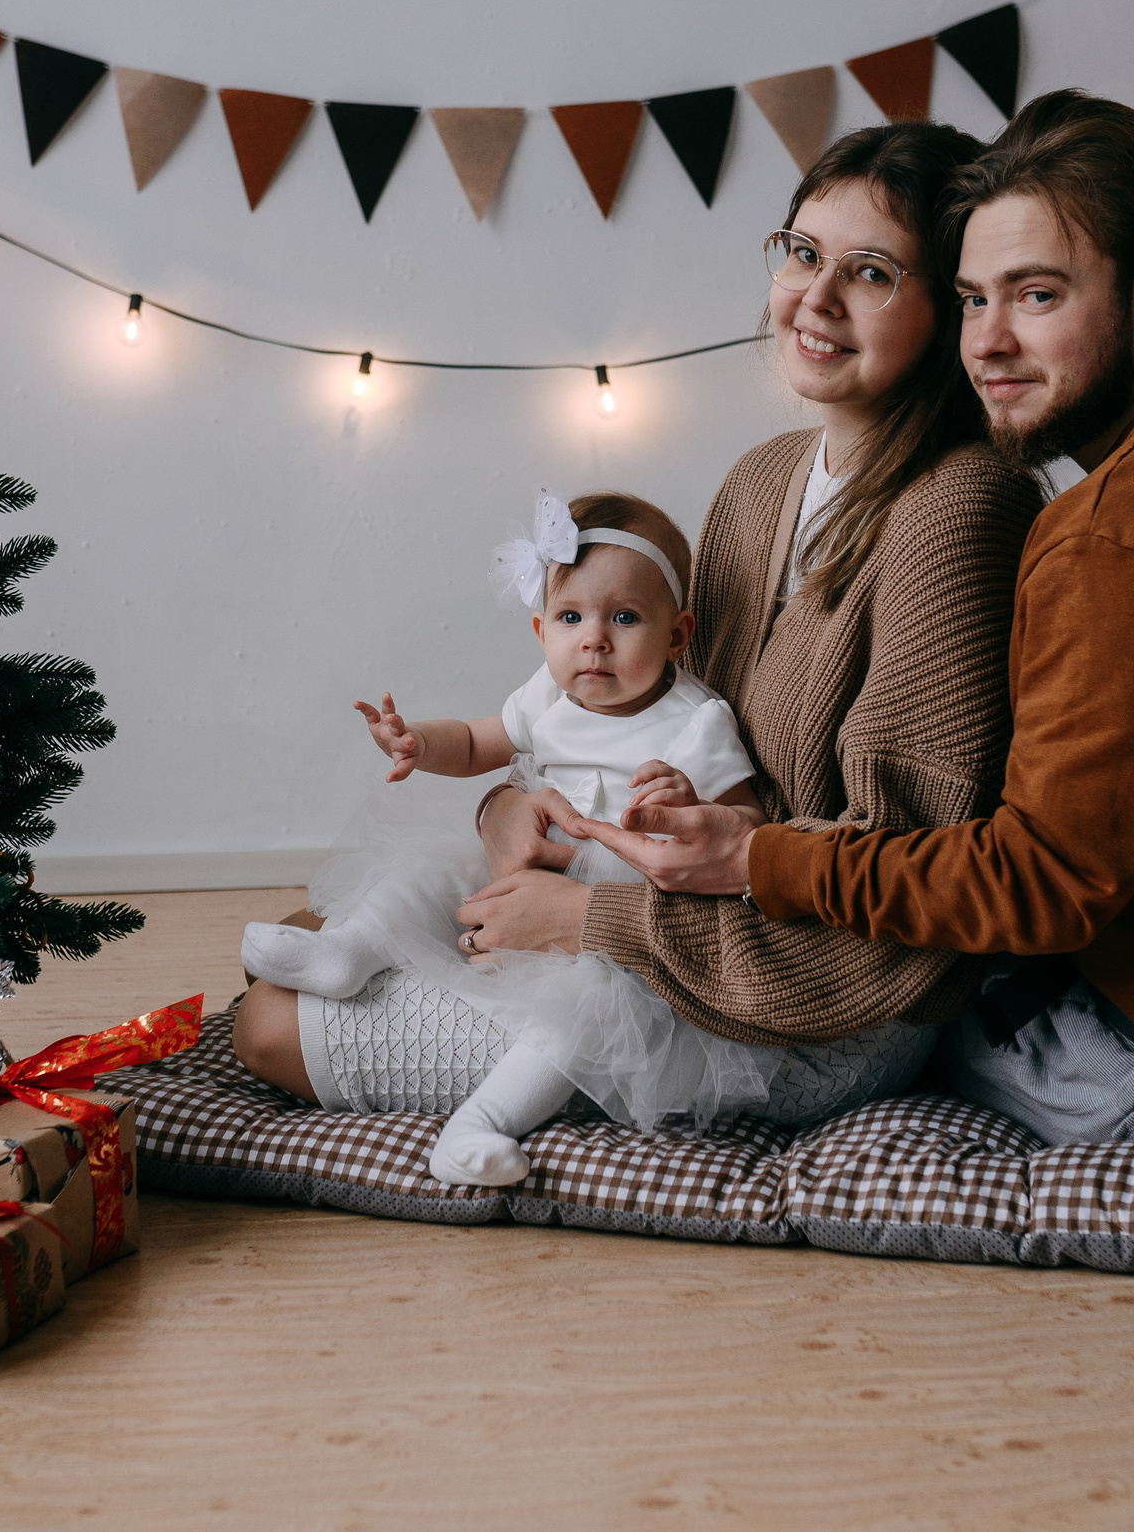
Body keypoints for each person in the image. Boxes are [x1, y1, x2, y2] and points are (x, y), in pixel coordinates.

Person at [562, 89, 1134, 1156]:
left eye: (1036, 296)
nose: (986, 344)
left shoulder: (1113, 539)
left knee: (878, 1013)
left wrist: (758, 862)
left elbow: (1035, 887)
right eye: (973, 299)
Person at [231, 120, 1045, 1154]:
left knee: (268, 1023)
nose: (816, 299)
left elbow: (905, 892)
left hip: (816, 1006)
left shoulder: (958, 512)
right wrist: (508, 812)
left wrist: (586, 923)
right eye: (803, 253)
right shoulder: (764, 479)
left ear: (952, 308)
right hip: (664, 910)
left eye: (872, 273)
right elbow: (643, 720)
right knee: (321, 936)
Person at [240, 490, 780, 1186]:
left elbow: (749, 833)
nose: (594, 639)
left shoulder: (695, 722)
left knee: (588, 1013)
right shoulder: (548, 697)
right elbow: (473, 743)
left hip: (614, 923)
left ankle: (482, 1123)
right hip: (527, 867)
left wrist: (688, 800)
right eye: (571, 617)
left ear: (677, 636)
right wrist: (415, 742)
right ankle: (352, 951)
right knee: (429, 870)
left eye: (624, 617)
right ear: (540, 629)